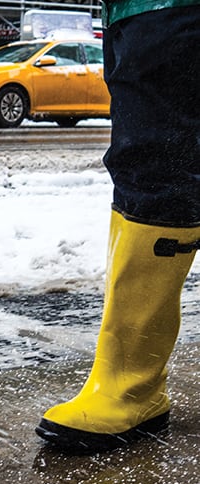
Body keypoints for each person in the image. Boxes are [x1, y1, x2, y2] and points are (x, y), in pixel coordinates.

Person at [36, 0, 200, 453]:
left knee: (157, 170)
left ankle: (130, 385)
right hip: (136, 12)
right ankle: (129, 382)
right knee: (153, 168)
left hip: (172, 10)